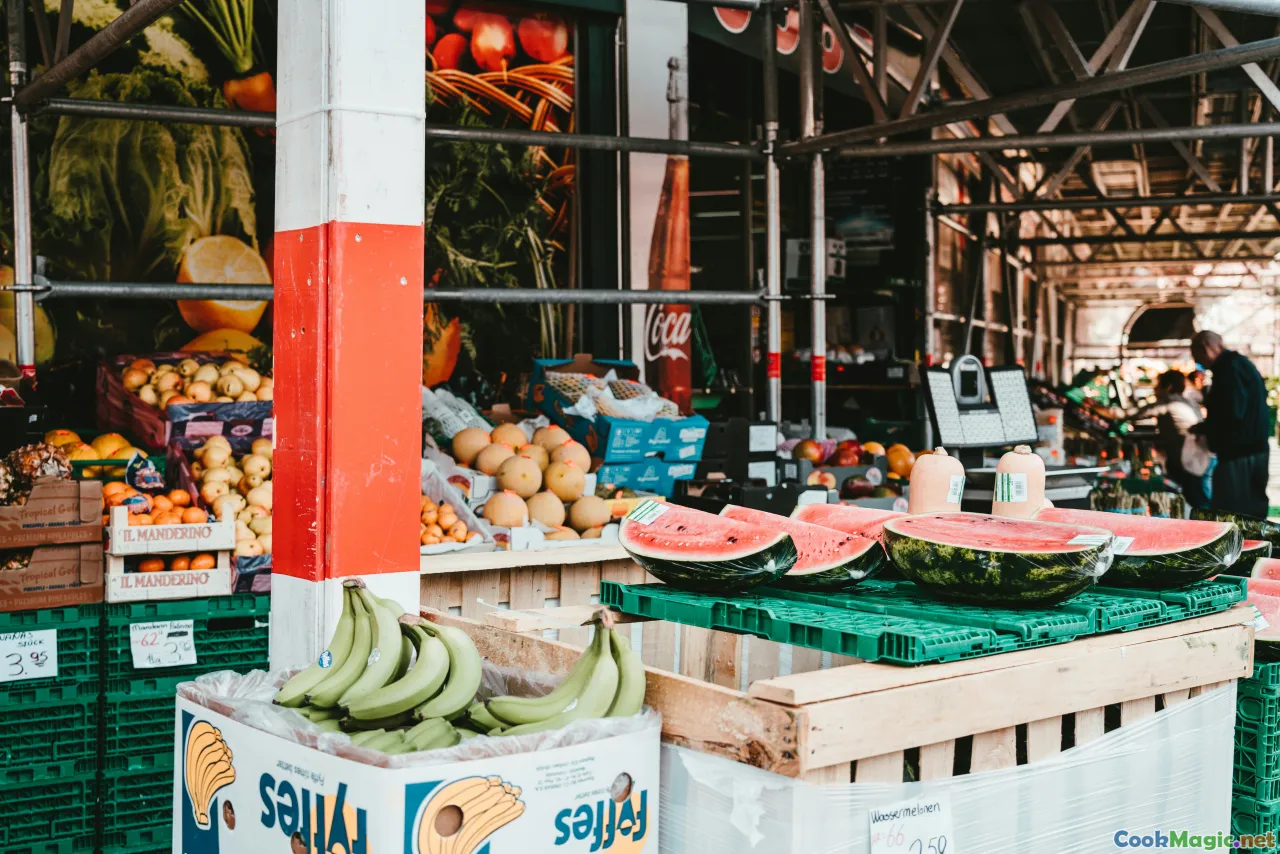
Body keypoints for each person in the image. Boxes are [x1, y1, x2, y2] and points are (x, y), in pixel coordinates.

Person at [1190, 331, 1271, 517]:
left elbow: (1231, 413)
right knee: (1249, 514)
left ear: (1205, 348)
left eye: (1198, 357)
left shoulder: (1229, 369)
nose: (1199, 363)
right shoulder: (1238, 364)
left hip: (1240, 456)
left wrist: (1207, 428)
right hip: (1251, 452)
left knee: (1236, 517)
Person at [1127, 370, 1207, 507]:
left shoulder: (1169, 402)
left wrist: (1094, 406)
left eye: (1158, 385)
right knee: (1194, 497)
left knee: (1192, 499)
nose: (1155, 389)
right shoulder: (1188, 402)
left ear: (1168, 387)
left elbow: (1131, 414)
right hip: (1198, 458)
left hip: (1184, 459)